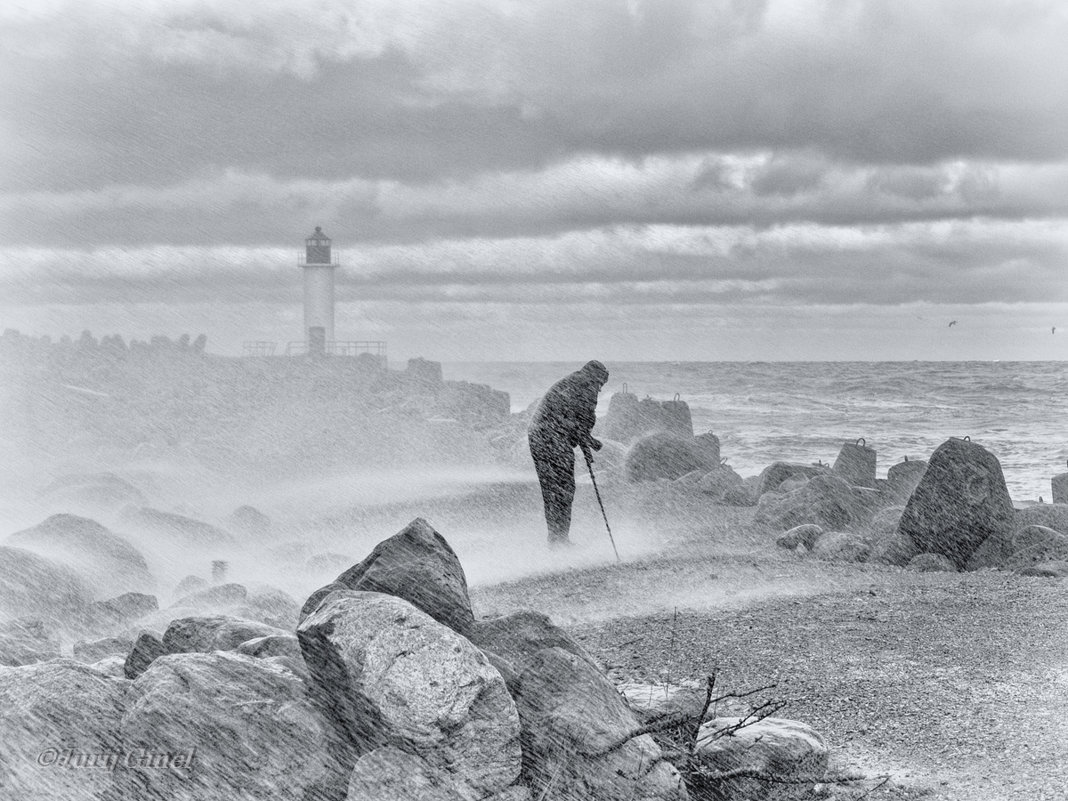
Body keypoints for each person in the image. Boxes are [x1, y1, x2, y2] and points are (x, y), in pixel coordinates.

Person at [528, 360, 609, 545]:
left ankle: (556, 539)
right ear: (597, 378)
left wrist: (585, 442)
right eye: (600, 384)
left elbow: (573, 419)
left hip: (538, 435)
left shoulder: (573, 381)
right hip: (551, 436)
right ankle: (560, 540)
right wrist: (589, 442)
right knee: (564, 489)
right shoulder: (587, 385)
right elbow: (581, 421)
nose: (599, 390)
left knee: (551, 490)